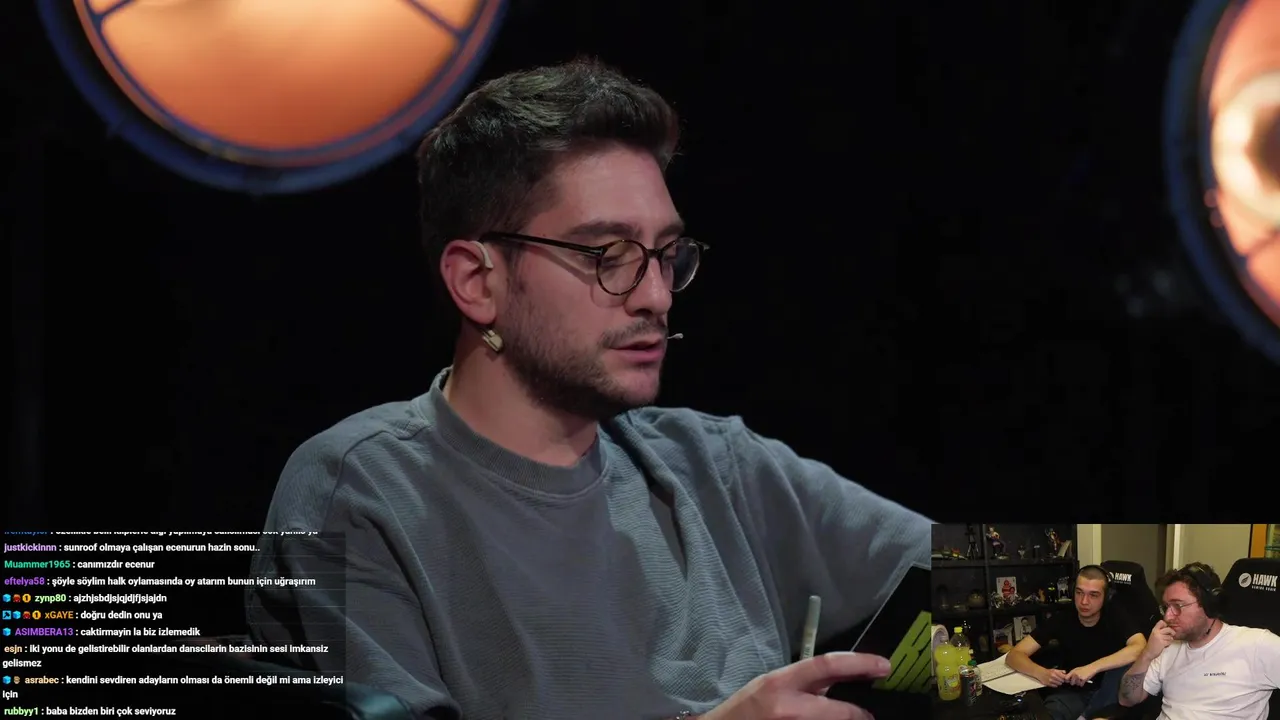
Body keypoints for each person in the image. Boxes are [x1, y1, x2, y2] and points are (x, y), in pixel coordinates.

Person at [244, 58, 931, 720]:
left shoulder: (716, 466)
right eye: (608, 255)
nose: (656, 296)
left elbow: (976, 584)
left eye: (666, 255)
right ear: (477, 281)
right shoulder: (361, 491)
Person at [1118, 562, 1280, 719]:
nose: (1167, 616)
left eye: (1177, 606)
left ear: (1209, 605)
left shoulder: (1257, 644)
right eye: (1166, 607)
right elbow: (1127, 700)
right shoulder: (1167, 644)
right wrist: (1147, 655)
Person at [1004, 565, 1147, 720]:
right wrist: (1041, 673)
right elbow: (1014, 655)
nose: (1084, 601)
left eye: (1093, 595)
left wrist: (1092, 668)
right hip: (1073, 694)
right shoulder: (1062, 618)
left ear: (1106, 597)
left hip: (1109, 693)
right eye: (1079, 593)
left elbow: (1140, 646)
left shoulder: (1116, 616)